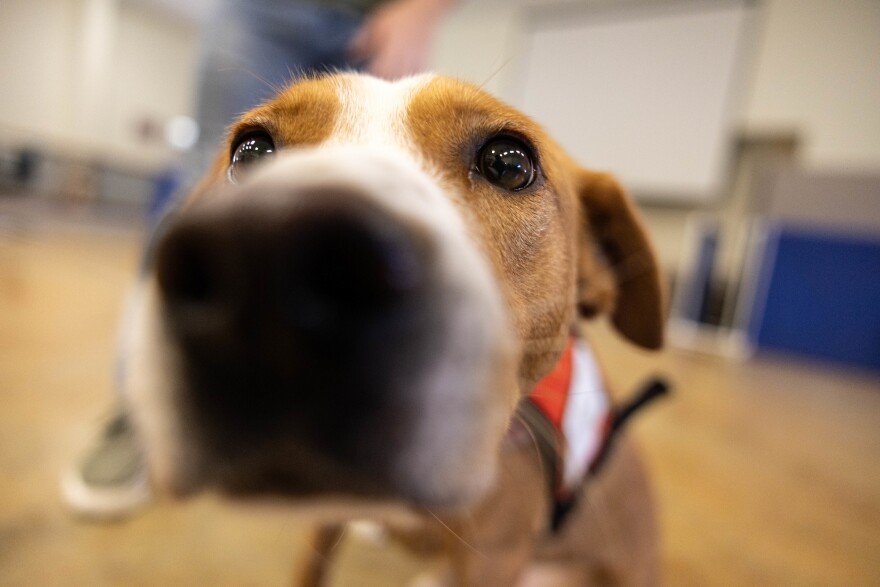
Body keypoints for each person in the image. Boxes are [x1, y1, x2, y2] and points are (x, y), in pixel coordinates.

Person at [62, 0, 460, 519]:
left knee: (379, 182)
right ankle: (140, 410)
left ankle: (375, 419)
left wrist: (422, 10)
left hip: (377, 19)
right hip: (262, 9)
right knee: (204, 178)